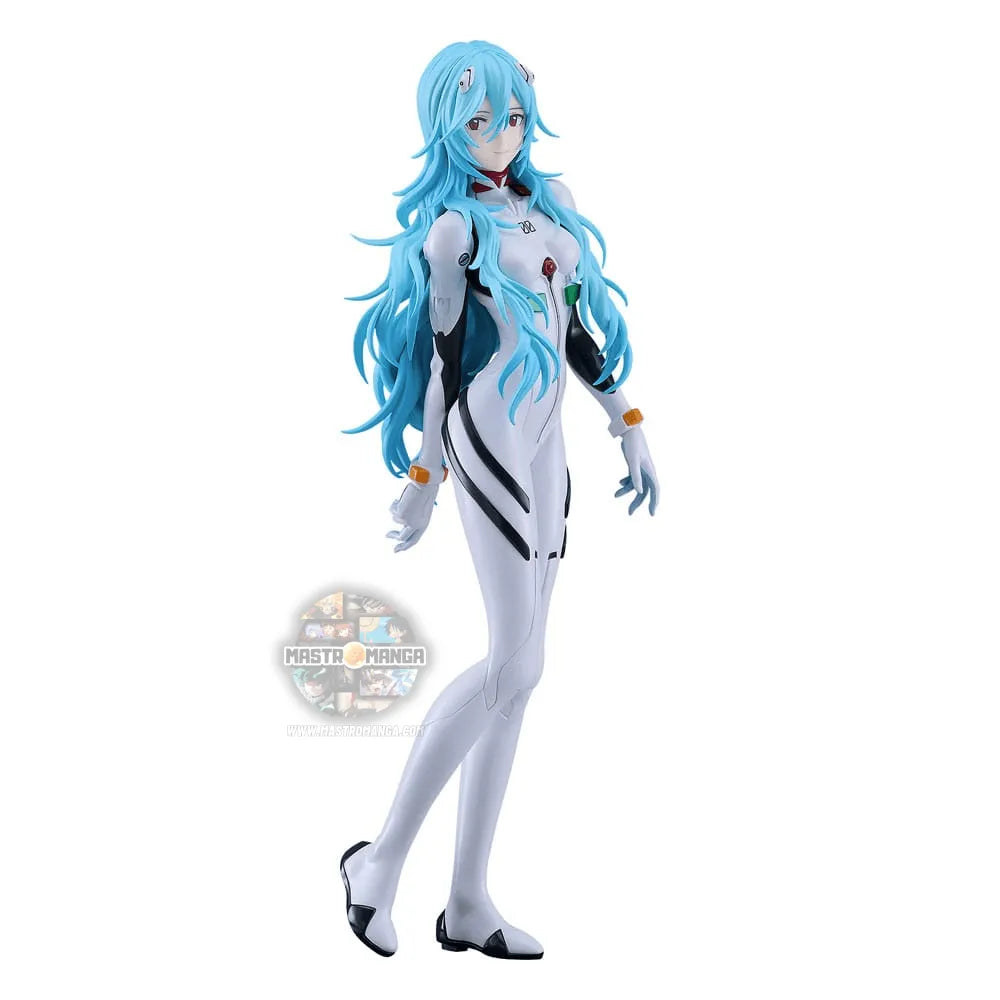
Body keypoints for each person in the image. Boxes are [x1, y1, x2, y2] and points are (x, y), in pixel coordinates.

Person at [341, 40, 659, 960]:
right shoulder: (455, 232)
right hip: (487, 430)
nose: (500, 135)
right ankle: (379, 861)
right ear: (447, 125)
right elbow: (442, 358)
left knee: (520, 681)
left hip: (549, 437)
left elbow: (575, 332)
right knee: (514, 662)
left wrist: (628, 419)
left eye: (513, 117)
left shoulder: (547, 208)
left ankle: (469, 900)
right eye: (479, 121)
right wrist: (423, 478)